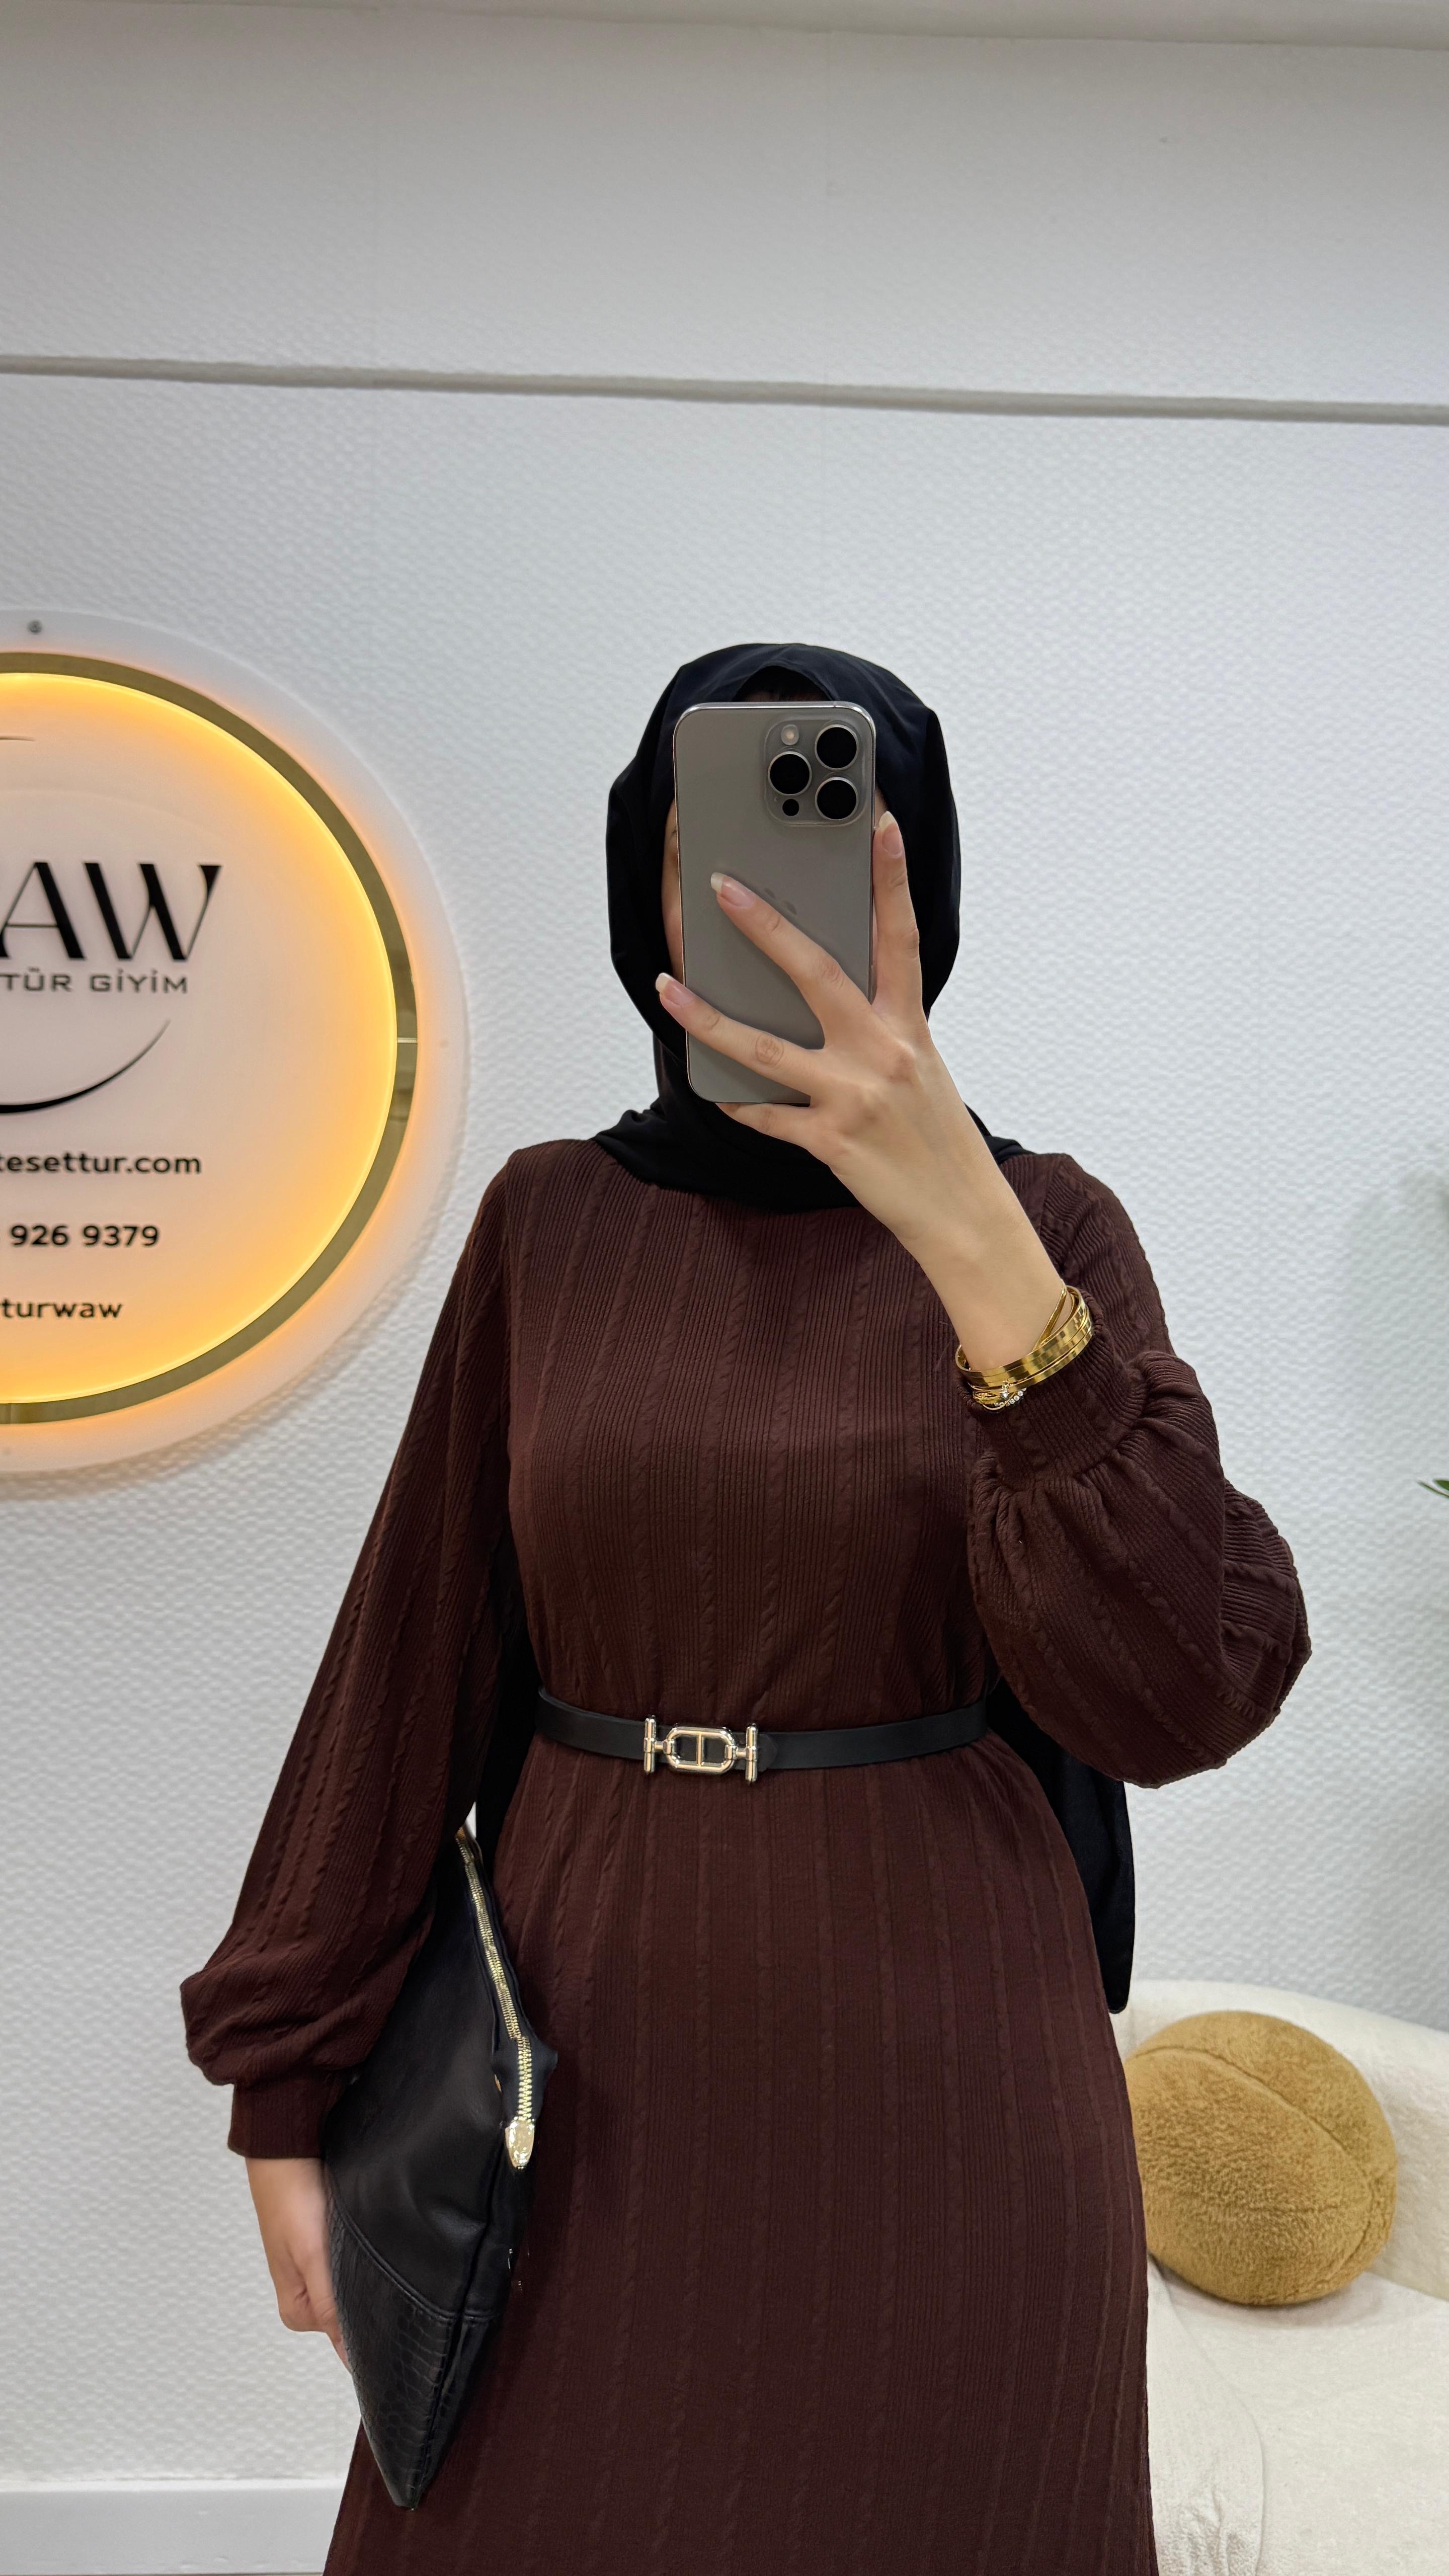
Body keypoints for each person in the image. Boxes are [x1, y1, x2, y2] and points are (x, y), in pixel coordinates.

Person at [181, 640, 1311, 2575]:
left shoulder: (1049, 1230)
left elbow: (1177, 1684)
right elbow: (411, 1651)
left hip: (957, 2061)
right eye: (711, 857)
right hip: (578, 2061)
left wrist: (962, 1221)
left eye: (838, 857)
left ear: (924, 895)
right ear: (648, 896)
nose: (769, 916)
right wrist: (288, 2069)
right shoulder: (553, 1222)